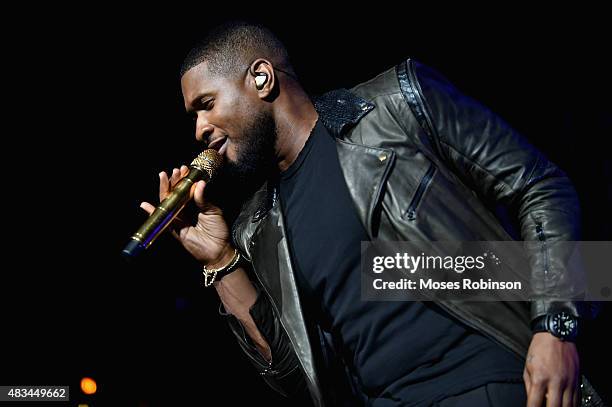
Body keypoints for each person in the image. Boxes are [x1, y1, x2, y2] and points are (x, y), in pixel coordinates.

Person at [139, 21, 602, 406]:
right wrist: (220, 262)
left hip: (488, 384)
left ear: (261, 79)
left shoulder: (396, 106)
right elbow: (301, 380)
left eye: (206, 104)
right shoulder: (259, 225)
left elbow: (541, 185)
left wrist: (555, 327)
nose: (199, 129)